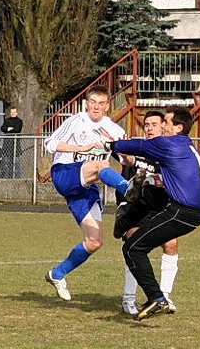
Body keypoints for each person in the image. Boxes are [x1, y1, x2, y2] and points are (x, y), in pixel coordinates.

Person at [107, 106, 200, 321]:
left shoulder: (167, 144)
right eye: (150, 125)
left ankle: (157, 298)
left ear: (178, 128)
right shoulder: (186, 146)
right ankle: (142, 297)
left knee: (134, 248)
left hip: (180, 211)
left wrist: (110, 144)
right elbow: (135, 161)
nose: (160, 126)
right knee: (135, 242)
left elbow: (139, 147)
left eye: (165, 122)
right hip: (182, 209)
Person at [41, 85, 133, 301]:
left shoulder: (114, 130)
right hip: (65, 174)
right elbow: (49, 143)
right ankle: (130, 192)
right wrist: (79, 150)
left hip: (86, 186)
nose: (96, 107)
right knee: (101, 166)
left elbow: (126, 158)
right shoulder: (76, 120)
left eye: (101, 103)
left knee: (94, 241)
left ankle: (57, 274)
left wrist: (129, 153)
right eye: (93, 102)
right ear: (87, 103)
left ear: (107, 106)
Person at [113, 111, 180, 316]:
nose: (149, 128)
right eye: (146, 124)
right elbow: (129, 161)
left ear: (163, 127)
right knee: (133, 240)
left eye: (154, 124)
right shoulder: (139, 148)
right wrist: (124, 154)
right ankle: (129, 298)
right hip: (132, 205)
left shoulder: (168, 152)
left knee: (171, 243)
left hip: (157, 206)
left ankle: (164, 296)